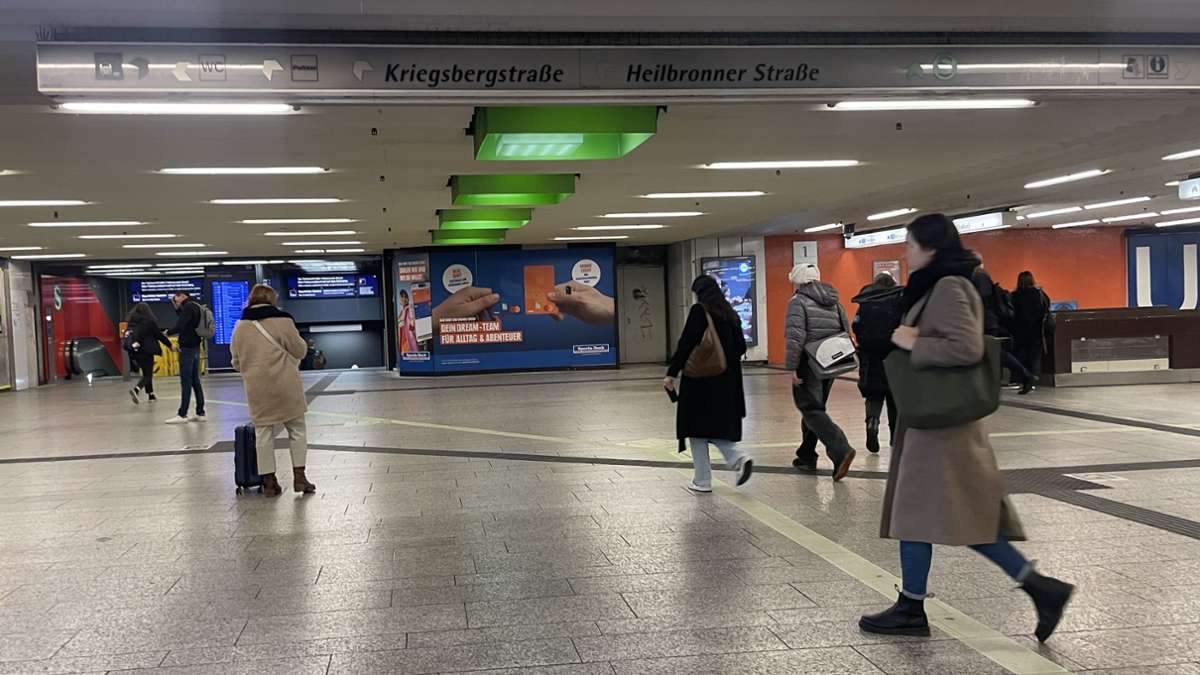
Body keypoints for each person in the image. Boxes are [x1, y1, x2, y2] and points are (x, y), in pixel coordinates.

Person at [859, 214, 1073, 642]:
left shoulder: (951, 286)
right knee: (953, 517)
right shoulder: (942, 283)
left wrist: (913, 342)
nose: (906, 252)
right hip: (935, 423)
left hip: (943, 426)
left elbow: (967, 346)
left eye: (911, 244)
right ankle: (1037, 588)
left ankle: (913, 607)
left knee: (923, 514)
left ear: (932, 248)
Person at [664, 274, 752, 493]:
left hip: (701, 381)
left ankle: (703, 481)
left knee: (696, 429)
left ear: (699, 293)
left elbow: (686, 343)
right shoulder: (730, 313)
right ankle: (737, 457)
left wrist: (672, 373)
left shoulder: (699, 311)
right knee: (713, 428)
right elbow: (741, 347)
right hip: (729, 382)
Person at [230, 284, 315, 497]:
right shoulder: (283, 321)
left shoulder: (240, 326)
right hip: (286, 384)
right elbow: (301, 351)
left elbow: (236, 362)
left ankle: (269, 482)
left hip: (257, 388)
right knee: (296, 429)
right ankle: (300, 477)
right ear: (272, 299)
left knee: (263, 434)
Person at [785, 263, 858, 481]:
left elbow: (795, 337)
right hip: (830, 361)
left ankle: (840, 449)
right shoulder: (833, 301)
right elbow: (846, 330)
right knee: (816, 409)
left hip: (809, 363)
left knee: (810, 408)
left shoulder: (797, 301)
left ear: (797, 281)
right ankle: (806, 455)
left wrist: (793, 367)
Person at [851, 272, 904, 453]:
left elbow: (855, 325)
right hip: (895, 355)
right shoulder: (899, 299)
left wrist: (864, 342)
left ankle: (872, 423)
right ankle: (894, 438)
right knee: (894, 397)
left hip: (870, 355)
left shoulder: (866, 300)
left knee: (874, 394)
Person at [973, 260, 1037, 394]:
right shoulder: (980, 276)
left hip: (985, 323)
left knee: (995, 352)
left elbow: (982, 303)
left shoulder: (979, 277)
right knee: (993, 352)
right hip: (985, 322)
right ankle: (1025, 375)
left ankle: (1026, 375)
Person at [165, 290, 206, 424]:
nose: (176, 301)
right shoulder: (196, 305)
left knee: (186, 381)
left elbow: (181, 325)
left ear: (183, 296)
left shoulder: (188, 307)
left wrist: (168, 332)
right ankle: (200, 412)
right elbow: (186, 321)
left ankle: (182, 414)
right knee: (195, 380)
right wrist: (177, 308)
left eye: (176, 298)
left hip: (187, 348)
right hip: (195, 346)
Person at [124, 302, 171, 405]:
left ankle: (151, 394)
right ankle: (136, 389)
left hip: (135, 351)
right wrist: (170, 345)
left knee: (146, 373)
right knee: (148, 375)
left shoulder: (131, 322)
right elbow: (159, 335)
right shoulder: (149, 322)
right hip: (147, 351)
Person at [1011, 271, 1051, 384]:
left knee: (1020, 355)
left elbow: (1011, 313)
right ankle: (1034, 378)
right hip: (1036, 330)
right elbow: (1046, 307)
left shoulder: (1014, 296)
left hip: (1019, 331)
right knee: (1034, 356)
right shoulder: (1039, 294)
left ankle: (1020, 379)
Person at [397, 288, 419, 353]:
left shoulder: (410, 309)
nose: (403, 299)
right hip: (402, 338)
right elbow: (399, 322)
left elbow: (412, 322)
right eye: (401, 297)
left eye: (405, 297)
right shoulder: (402, 311)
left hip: (408, 338)